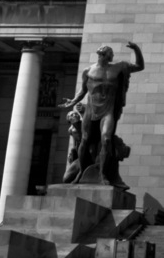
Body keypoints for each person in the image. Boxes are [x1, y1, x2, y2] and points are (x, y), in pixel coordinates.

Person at [63, 41, 146, 185]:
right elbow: (83, 90)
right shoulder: (88, 71)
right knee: (85, 140)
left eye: (111, 55)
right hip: (91, 110)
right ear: (102, 55)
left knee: (106, 139)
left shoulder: (119, 67)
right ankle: (83, 171)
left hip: (108, 110)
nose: (111, 57)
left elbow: (139, 66)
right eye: (109, 54)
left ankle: (102, 174)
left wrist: (136, 49)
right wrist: (73, 101)